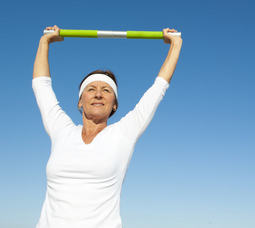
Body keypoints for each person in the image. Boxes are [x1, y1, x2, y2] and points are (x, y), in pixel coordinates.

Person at [32, 25, 182, 228]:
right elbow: (41, 86)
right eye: (91, 89)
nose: (98, 94)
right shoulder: (62, 130)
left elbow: (158, 88)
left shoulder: (123, 133)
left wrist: (175, 44)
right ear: (79, 101)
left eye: (106, 90)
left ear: (114, 105)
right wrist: (45, 42)